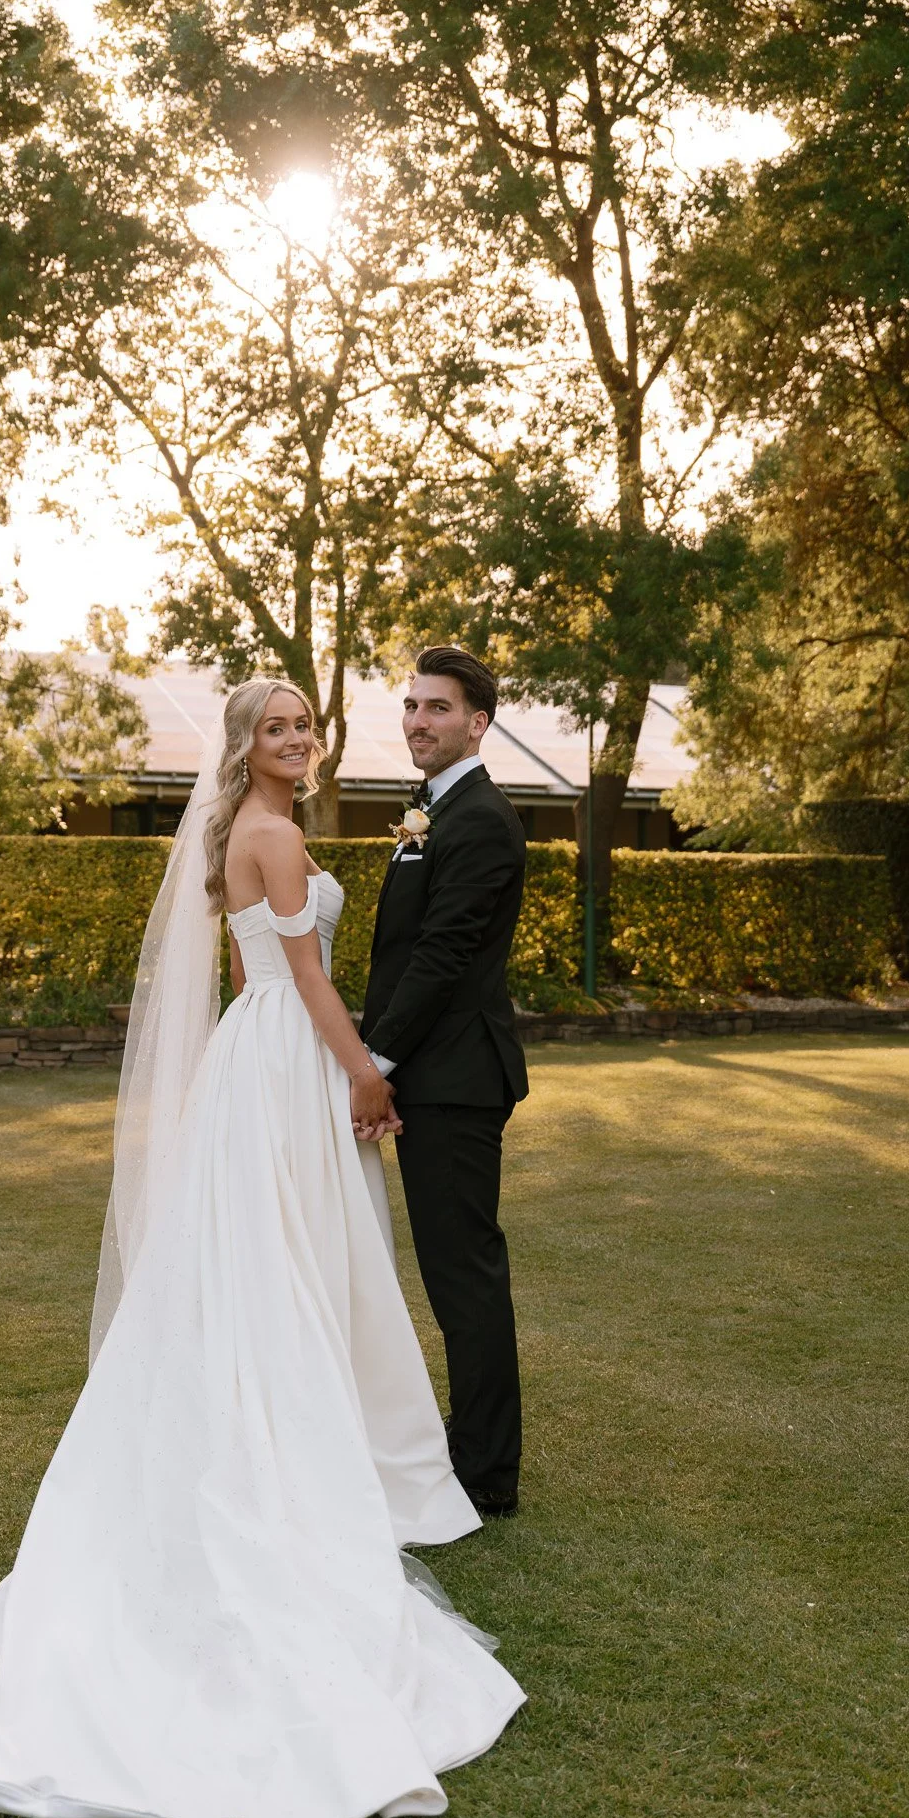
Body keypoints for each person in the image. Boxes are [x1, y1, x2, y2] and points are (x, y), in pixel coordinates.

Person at [0, 676, 524, 1818]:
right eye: (278, 729)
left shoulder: (235, 834)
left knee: (259, 1258)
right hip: (286, 1052)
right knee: (294, 1259)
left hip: (250, 1056)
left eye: (308, 728)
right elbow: (308, 979)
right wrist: (365, 1070)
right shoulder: (275, 833)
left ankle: (284, 1417)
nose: (299, 742)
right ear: (245, 745)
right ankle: (301, 1441)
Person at [361, 646, 529, 1517]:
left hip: (456, 1079)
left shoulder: (483, 821)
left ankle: (485, 1474)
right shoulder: (430, 810)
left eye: (437, 708)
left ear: (477, 723)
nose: (418, 722)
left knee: (463, 1276)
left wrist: (372, 1065)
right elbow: (400, 959)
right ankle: (472, 1455)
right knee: (449, 1273)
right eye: (411, 706)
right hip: (428, 1070)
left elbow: (442, 956)